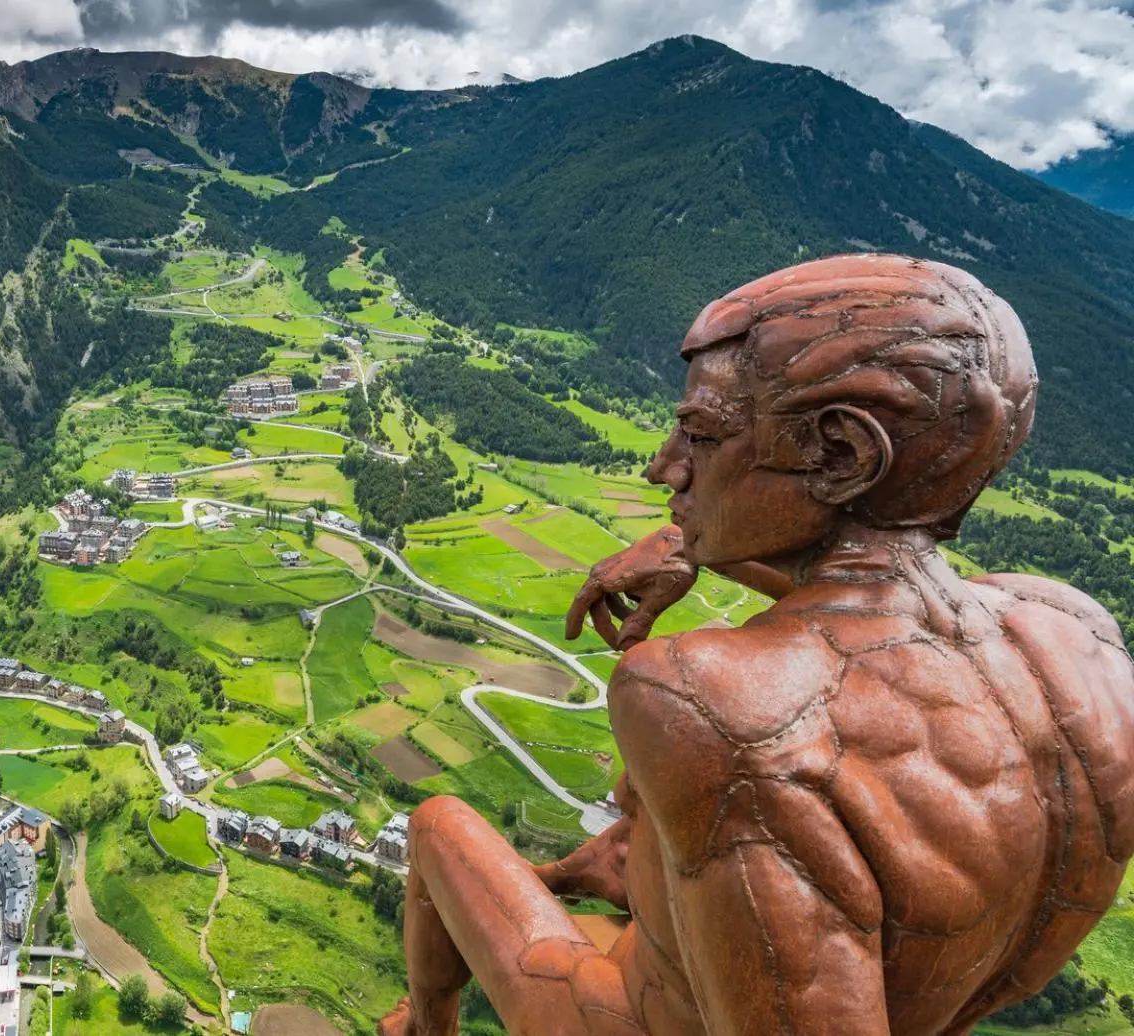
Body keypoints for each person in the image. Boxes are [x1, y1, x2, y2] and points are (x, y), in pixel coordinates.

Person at [382, 254, 1134, 1036]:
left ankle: (424, 1027)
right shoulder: (1075, 640)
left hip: (642, 1021)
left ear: (842, 455)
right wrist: (692, 545)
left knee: (437, 827)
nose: (665, 469)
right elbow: (882, 610)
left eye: (702, 435)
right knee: (628, 849)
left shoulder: (710, 705)